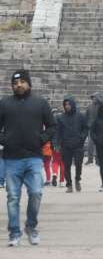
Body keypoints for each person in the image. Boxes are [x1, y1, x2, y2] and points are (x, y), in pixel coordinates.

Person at [0, 70, 56, 246]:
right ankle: (14, 233)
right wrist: (5, 141)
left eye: (22, 82)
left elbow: (52, 126)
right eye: (15, 83)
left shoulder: (40, 103)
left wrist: (41, 139)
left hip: (34, 157)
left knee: (36, 192)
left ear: (29, 84)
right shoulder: (4, 104)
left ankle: (31, 227)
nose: (19, 85)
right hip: (11, 158)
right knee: (13, 197)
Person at [56, 95, 87, 192]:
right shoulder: (60, 118)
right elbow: (58, 132)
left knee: (78, 163)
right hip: (65, 145)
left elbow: (85, 128)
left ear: (73, 105)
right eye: (65, 104)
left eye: (69, 104)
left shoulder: (80, 116)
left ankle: (77, 179)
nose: (67, 106)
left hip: (78, 144)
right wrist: (56, 144)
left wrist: (81, 138)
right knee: (66, 165)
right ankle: (69, 184)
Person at [84, 93, 102, 165]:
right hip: (91, 128)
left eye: (95, 98)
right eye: (93, 98)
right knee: (90, 145)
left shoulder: (101, 106)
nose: (93, 99)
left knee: (98, 145)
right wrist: (86, 125)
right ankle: (90, 159)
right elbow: (86, 117)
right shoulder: (89, 107)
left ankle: (98, 160)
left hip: (99, 128)